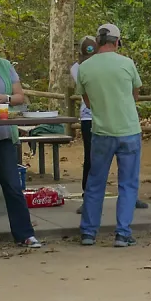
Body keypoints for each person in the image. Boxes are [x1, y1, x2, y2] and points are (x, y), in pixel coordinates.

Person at [76, 23, 144, 248]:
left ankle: (88, 232)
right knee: (127, 183)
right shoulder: (127, 64)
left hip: (101, 131)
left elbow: (87, 101)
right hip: (128, 130)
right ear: (117, 42)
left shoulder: (84, 68)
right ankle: (123, 233)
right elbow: (134, 95)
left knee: (96, 183)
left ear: (97, 42)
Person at [0, 45, 40, 249]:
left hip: (2, 137)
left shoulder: (3, 66)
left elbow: (20, 97)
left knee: (12, 186)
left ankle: (25, 234)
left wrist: (7, 99)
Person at [70, 35, 96, 193]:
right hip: (88, 116)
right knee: (90, 157)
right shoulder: (76, 68)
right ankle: (87, 192)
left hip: (108, 116)